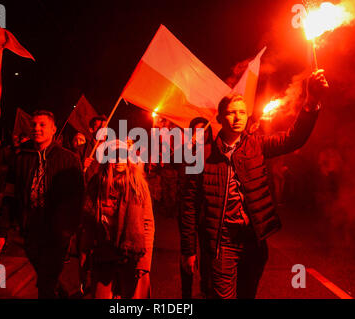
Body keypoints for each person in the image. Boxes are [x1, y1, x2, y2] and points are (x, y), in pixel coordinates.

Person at [180, 69, 329, 299]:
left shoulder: (256, 145)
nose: (238, 117)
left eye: (242, 112)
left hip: (253, 241)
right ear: (220, 118)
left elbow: (293, 138)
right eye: (231, 113)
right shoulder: (200, 154)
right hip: (222, 243)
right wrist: (188, 250)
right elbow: (188, 204)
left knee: (247, 296)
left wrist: (311, 102)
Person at [0, 110, 84, 298]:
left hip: (57, 231)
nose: (36, 128)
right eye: (34, 124)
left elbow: (77, 198)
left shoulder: (68, 159)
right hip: (29, 228)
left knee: (46, 280)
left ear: (53, 129)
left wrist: (67, 230)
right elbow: (9, 196)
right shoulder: (20, 159)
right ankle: (61, 292)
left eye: (42, 125)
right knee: (44, 272)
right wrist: (1, 232)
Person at [81, 140, 154, 299]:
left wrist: (144, 263)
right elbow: (88, 223)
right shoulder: (97, 184)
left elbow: (147, 224)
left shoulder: (138, 185)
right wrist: (84, 257)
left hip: (132, 255)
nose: (119, 161)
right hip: (104, 253)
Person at [179, 117, 212, 299]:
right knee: (187, 254)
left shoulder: (213, 153)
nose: (201, 134)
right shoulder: (186, 151)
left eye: (204, 130)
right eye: (197, 130)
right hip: (188, 211)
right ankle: (186, 295)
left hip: (207, 214)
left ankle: (206, 289)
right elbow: (182, 176)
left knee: (208, 256)